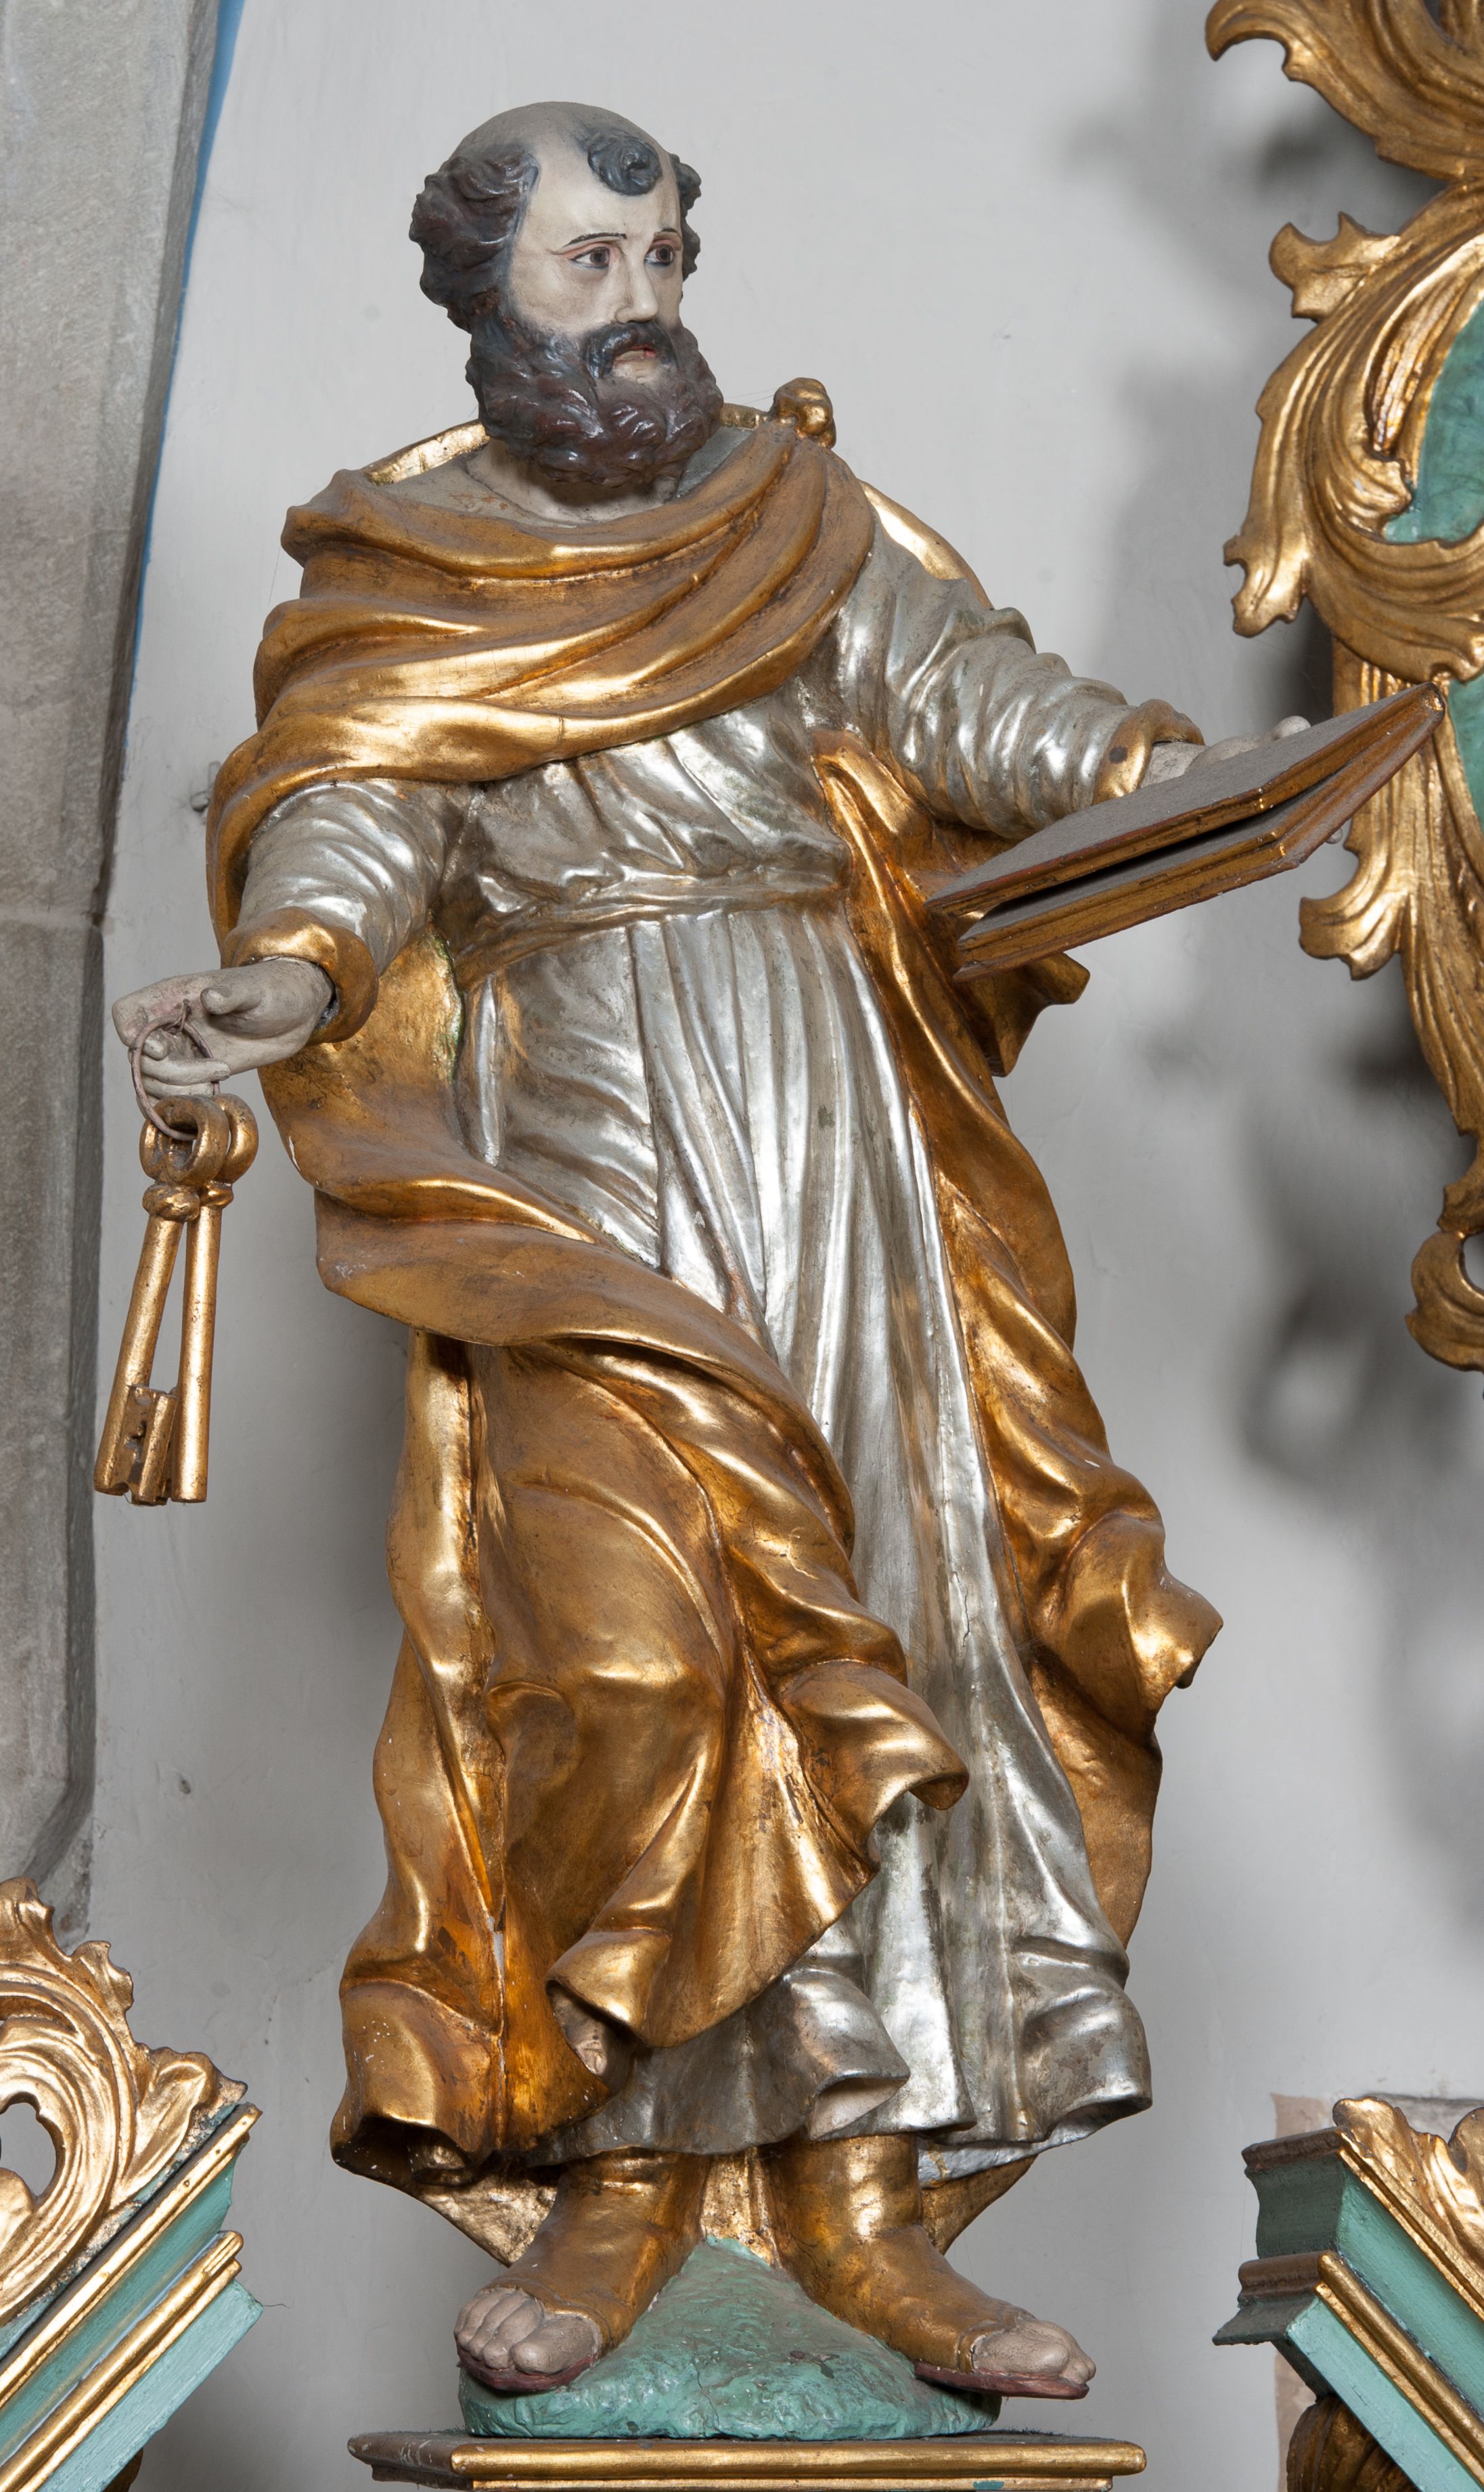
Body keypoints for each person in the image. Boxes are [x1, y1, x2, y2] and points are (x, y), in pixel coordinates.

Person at [116, 100, 1290, 2403]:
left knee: (897, 1627)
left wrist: (1142, 771)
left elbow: (968, 702)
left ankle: (862, 2205)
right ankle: (618, 2170)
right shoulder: (412, 568)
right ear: (484, 300)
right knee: (628, 1650)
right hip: (577, 1135)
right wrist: (289, 968)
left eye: (663, 259)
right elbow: (355, 806)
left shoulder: (791, 519)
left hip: (837, 1121)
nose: (644, 307)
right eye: (590, 267)